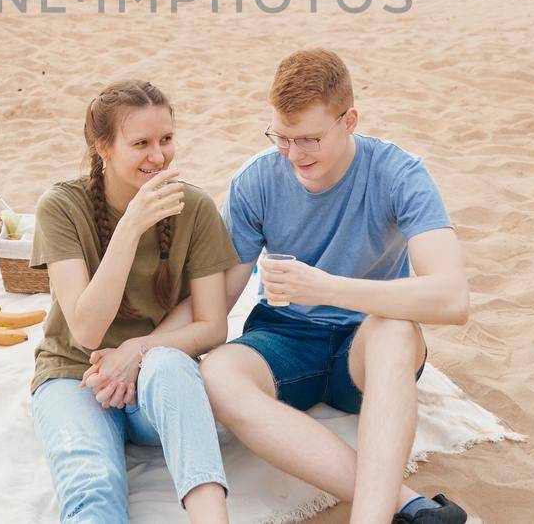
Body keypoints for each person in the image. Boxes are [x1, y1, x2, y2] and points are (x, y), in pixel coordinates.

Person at [187, 49, 472, 524]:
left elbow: (452, 298)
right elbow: (215, 306)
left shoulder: (399, 174)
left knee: (395, 330)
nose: (295, 155)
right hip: (284, 337)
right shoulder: (256, 180)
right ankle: (407, 503)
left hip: (366, 344)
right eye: (282, 138)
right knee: (216, 373)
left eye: (310, 139)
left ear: (349, 120)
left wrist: (326, 288)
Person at [29, 80, 240, 523]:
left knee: (169, 362)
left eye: (166, 140)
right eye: (141, 143)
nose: (159, 156)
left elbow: (212, 325)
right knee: (92, 482)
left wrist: (137, 352)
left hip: (153, 380)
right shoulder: (61, 207)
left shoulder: (195, 207)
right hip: (74, 375)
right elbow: (85, 330)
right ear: (102, 147)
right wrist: (131, 226)